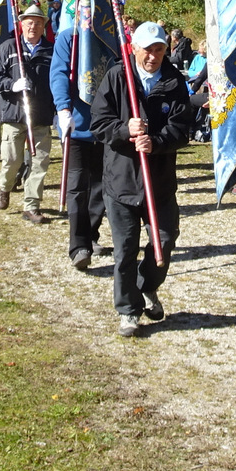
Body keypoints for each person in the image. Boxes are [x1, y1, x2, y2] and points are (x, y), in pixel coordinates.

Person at [91, 22, 191, 335]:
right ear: (135, 48)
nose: (153, 55)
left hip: (159, 183)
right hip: (121, 181)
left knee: (164, 241)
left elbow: (182, 128)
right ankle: (128, 311)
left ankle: (147, 286)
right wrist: (124, 130)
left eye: (159, 49)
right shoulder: (117, 76)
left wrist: (157, 142)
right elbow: (98, 122)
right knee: (124, 251)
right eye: (148, 49)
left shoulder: (174, 81)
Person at [53, 22, 117, 270]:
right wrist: (63, 107)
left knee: (103, 185)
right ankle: (79, 246)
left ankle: (91, 234)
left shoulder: (112, 36)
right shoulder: (69, 38)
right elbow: (58, 73)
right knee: (77, 187)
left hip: (108, 125)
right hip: (77, 126)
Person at [0, 2, 55, 223]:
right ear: (21, 25)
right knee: (13, 160)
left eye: (37, 23)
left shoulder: (51, 50)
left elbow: (58, 81)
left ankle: (32, 206)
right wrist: (13, 84)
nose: (33, 27)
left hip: (41, 115)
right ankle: (4, 187)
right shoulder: (9, 48)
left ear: (43, 26)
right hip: (15, 114)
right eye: (29, 23)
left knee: (40, 162)